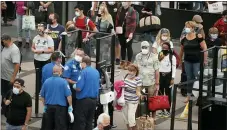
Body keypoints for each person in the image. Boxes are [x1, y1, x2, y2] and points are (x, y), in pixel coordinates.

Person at [179, 21, 208, 103]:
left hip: (197, 61)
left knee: (197, 76)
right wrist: (180, 60)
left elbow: (205, 48)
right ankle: (188, 95)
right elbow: (181, 50)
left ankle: (200, 95)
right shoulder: (184, 38)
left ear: (193, 28)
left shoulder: (198, 37)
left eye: (188, 27)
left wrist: (205, 60)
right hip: (187, 61)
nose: (186, 28)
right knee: (189, 77)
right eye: (186, 27)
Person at [40, 65, 72, 130]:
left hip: (49, 107)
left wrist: (45, 105)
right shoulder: (64, 82)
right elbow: (69, 96)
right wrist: (70, 106)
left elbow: (42, 96)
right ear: (60, 72)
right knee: (60, 127)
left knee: (48, 126)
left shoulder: (47, 81)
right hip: (60, 109)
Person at [73, 56, 100, 130]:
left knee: (80, 122)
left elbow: (78, 88)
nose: (80, 64)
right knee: (89, 122)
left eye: (81, 63)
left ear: (84, 63)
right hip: (93, 100)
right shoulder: (96, 72)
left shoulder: (83, 72)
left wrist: (74, 86)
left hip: (83, 101)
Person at [134, 41, 159, 120]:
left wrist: (157, 83)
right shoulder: (138, 56)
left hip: (151, 82)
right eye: (143, 47)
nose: (144, 49)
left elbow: (157, 71)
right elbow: (135, 68)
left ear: (149, 47)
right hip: (139, 82)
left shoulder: (154, 57)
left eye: (146, 47)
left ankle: (153, 118)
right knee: (138, 100)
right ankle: (138, 117)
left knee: (152, 100)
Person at [31, 23, 54, 92]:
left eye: (40, 29)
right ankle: (38, 91)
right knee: (38, 75)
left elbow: (52, 50)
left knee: (45, 75)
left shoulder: (48, 38)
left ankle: (45, 90)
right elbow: (32, 47)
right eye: (38, 29)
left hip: (45, 60)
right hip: (37, 59)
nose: (39, 31)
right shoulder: (36, 37)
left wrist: (42, 51)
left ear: (44, 29)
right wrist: (34, 50)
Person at [1, 34, 21, 112]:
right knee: (4, 93)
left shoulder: (14, 50)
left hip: (10, 77)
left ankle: (12, 109)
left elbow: (17, 64)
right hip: (3, 76)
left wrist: (13, 78)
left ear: (7, 40)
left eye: (2, 41)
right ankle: (4, 108)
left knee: (11, 94)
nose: (1, 42)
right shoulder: (4, 47)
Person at [115, 2, 137, 70]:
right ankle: (123, 63)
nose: (123, 2)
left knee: (128, 46)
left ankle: (129, 64)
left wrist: (131, 33)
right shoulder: (120, 9)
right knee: (123, 46)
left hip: (129, 31)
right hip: (121, 31)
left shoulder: (132, 11)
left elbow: (133, 23)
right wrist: (116, 29)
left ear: (129, 2)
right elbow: (117, 20)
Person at [157, 42, 176, 117]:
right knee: (160, 93)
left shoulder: (172, 57)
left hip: (168, 76)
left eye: (166, 48)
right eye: (163, 47)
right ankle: (162, 110)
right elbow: (157, 66)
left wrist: (173, 78)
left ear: (168, 48)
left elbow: (174, 68)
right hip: (160, 76)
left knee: (168, 94)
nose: (164, 49)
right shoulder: (159, 55)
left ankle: (168, 110)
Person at [121, 64, 142, 130]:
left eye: (131, 71)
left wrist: (140, 96)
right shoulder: (126, 76)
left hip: (133, 102)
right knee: (126, 119)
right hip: (124, 101)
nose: (129, 72)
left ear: (135, 71)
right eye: (129, 70)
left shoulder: (138, 80)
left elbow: (138, 91)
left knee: (131, 119)